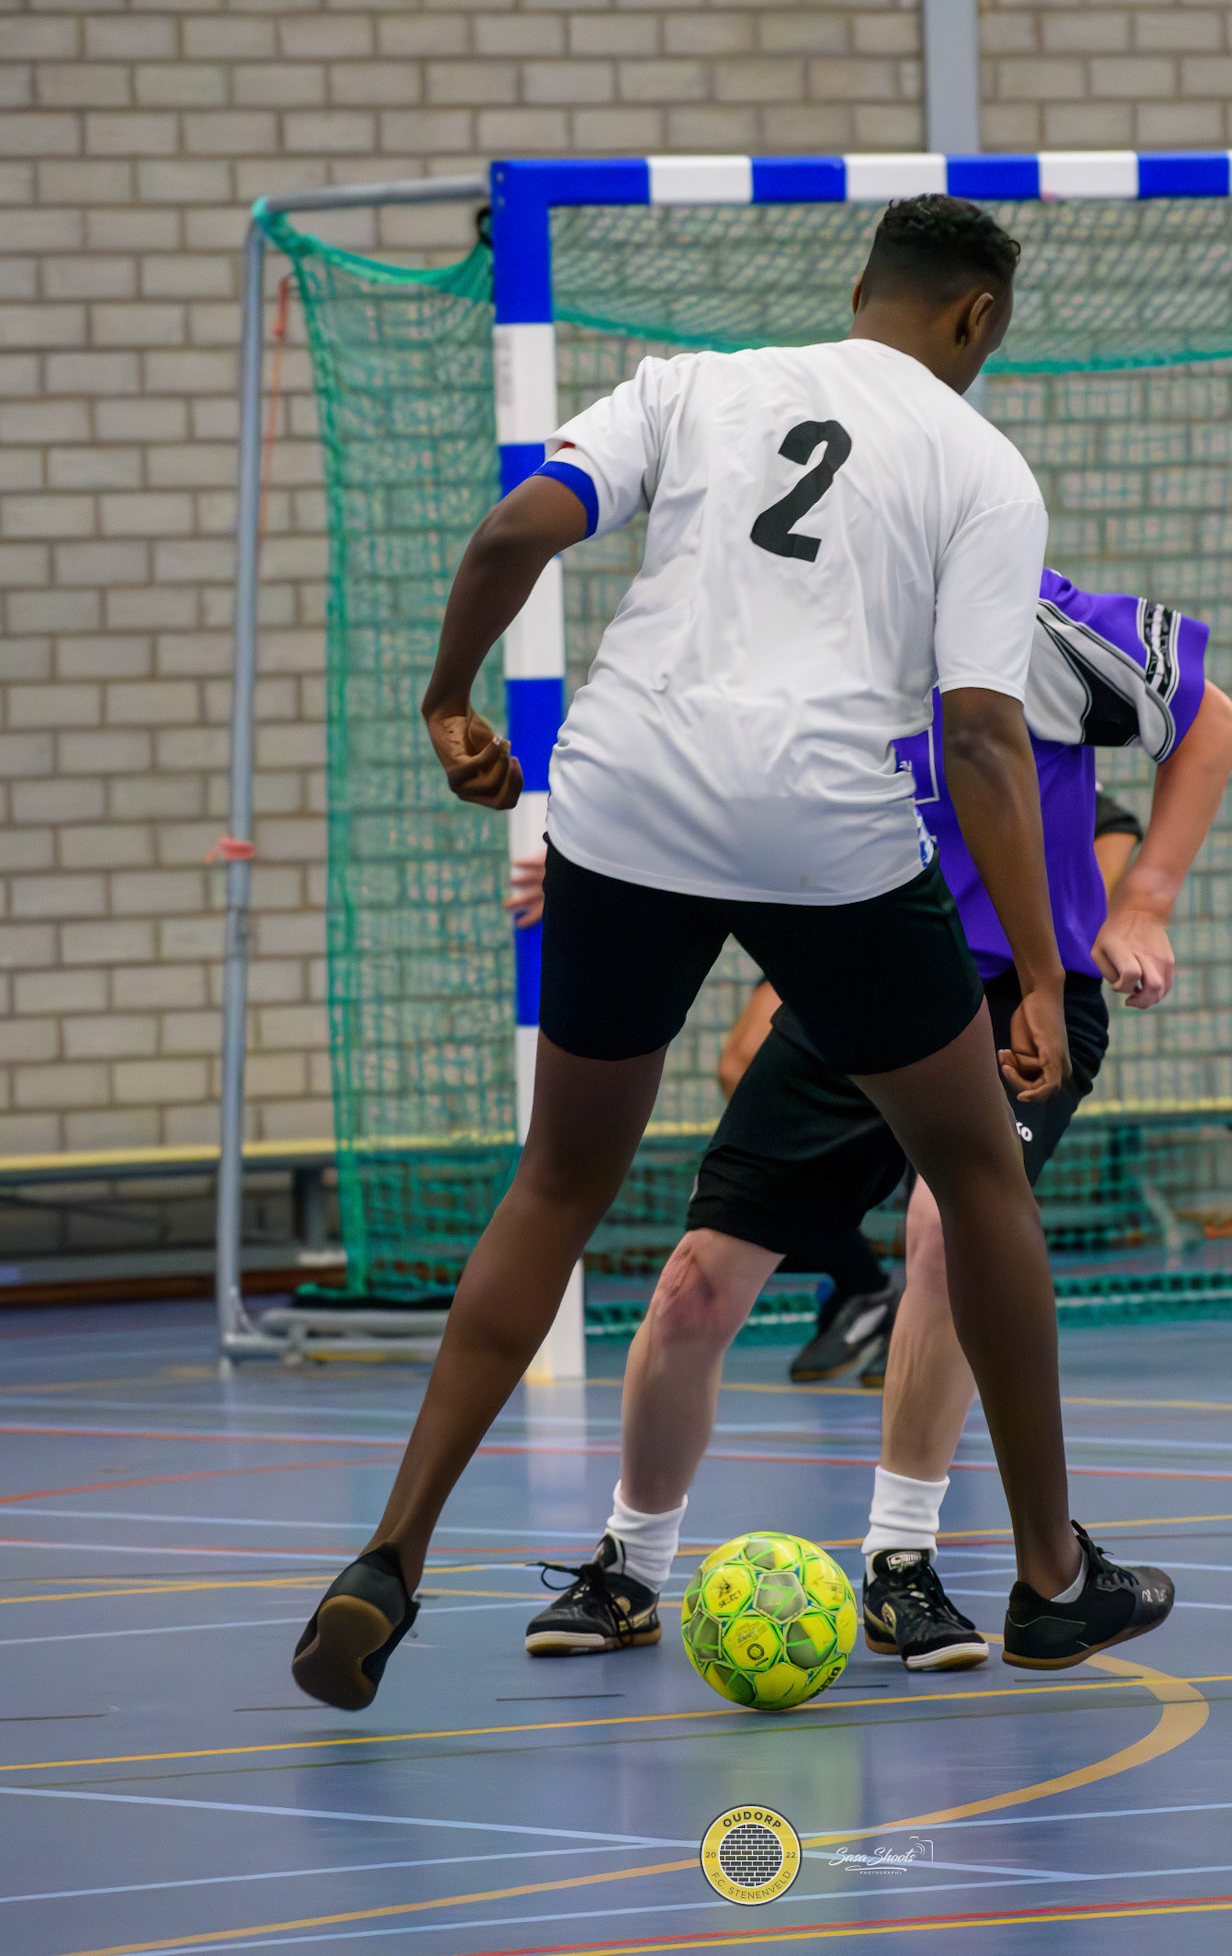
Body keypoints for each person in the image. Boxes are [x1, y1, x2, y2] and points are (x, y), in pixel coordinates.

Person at [292, 194, 1156, 1711]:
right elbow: (980, 735)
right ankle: (1048, 1577)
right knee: (977, 1178)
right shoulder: (979, 464)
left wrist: (448, 699)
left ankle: (390, 1554)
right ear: (976, 320)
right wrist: (1037, 967)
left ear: (859, 285)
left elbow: (514, 531)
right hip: (824, 825)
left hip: (623, 801)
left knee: (559, 1182)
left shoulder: (689, 384)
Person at [525, 572, 1232, 1673]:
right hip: (858, 984)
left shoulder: (1030, 623)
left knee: (948, 1232)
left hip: (1014, 998)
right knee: (693, 1287)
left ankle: (902, 1564)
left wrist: (1145, 899)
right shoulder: (795, 640)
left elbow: (1208, 719)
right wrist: (610, 871)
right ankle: (629, 1564)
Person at [509, 790, 1147, 1389]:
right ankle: (861, 1281)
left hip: (974, 961)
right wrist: (605, 866)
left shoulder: (996, 748)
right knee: (739, 1065)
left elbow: (1111, 823)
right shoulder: (831, 754)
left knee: (944, 1194)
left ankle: (932, 1302)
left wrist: (1093, 925)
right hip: (854, 928)